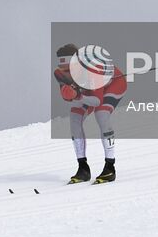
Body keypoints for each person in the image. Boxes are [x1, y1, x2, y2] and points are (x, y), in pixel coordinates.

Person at [54, 43, 127, 183]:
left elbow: (97, 101)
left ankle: (110, 168)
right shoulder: (59, 73)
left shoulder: (93, 70)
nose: (67, 73)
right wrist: (70, 94)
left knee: (101, 114)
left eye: (70, 69)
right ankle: (83, 168)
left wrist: (77, 95)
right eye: (64, 70)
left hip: (113, 85)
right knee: (74, 117)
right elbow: (67, 95)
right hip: (89, 90)